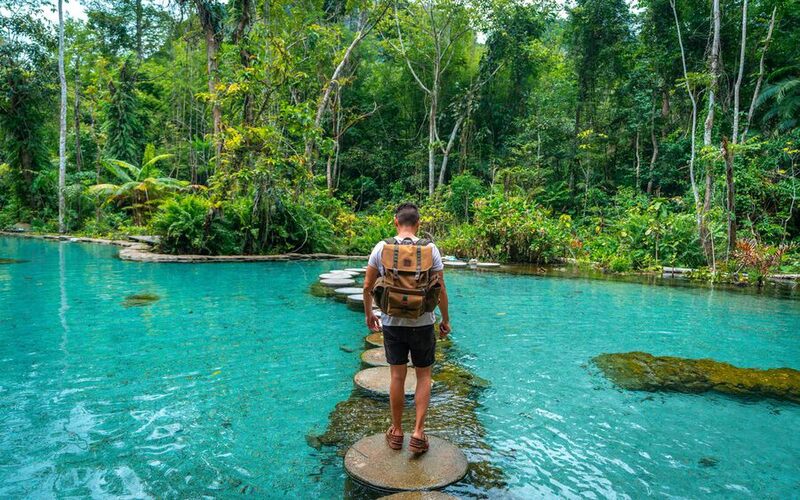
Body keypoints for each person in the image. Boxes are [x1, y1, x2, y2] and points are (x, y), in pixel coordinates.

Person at [362, 203, 451, 454]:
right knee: (423, 376)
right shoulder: (430, 249)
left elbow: (367, 286)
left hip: (392, 323)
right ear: (418, 224)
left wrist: (370, 314)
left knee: (397, 377)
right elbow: (441, 289)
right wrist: (445, 319)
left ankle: (397, 431)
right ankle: (419, 433)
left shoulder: (381, 247)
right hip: (423, 323)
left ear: (395, 222)